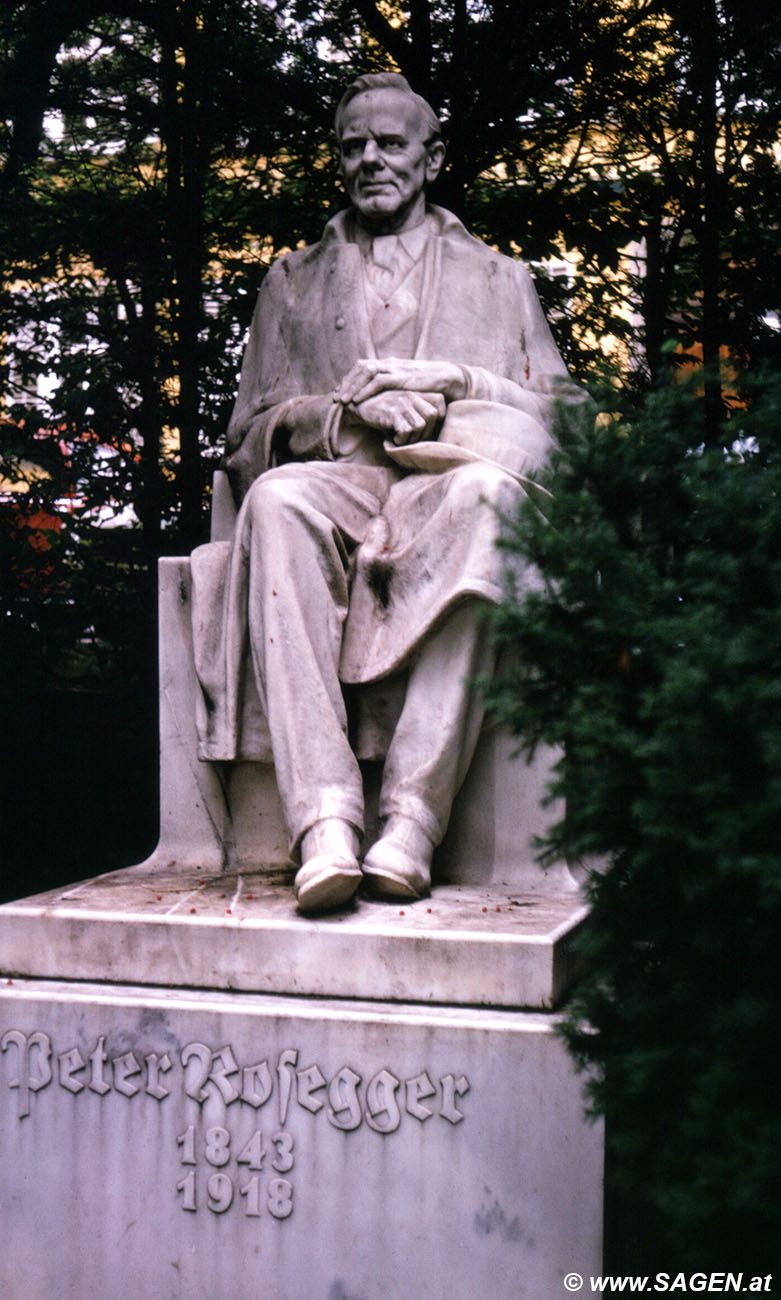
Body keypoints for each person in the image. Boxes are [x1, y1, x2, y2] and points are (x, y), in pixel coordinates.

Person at [192, 72, 578, 913]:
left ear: (431, 158)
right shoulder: (290, 282)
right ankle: (323, 820)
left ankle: (411, 818)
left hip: (445, 482)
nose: (370, 159)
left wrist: (459, 380)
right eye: (352, 145)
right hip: (339, 481)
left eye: (390, 143)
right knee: (277, 503)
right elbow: (244, 435)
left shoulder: (499, 278)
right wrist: (341, 409)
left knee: (491, 503)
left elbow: (570, 423)